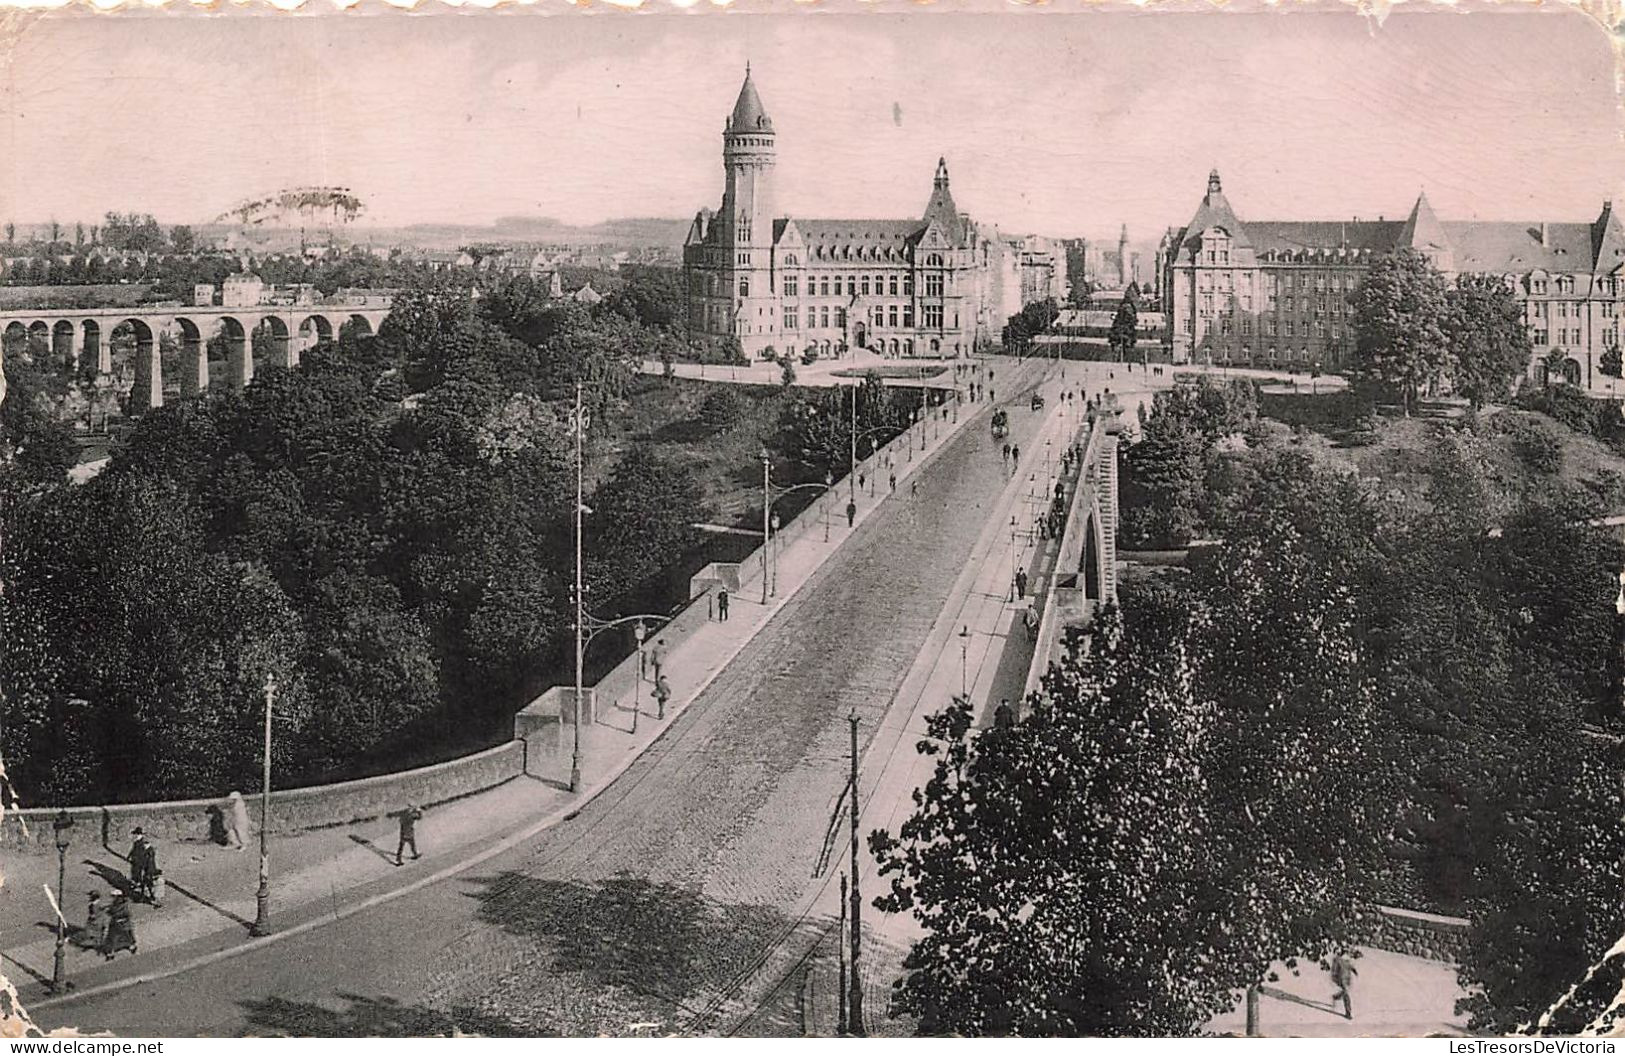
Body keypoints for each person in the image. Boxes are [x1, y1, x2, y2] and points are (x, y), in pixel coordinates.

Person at [101, 891, 136, 961]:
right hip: (121, 923)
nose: (112, 898)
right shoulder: (120, 904)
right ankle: (131, 946)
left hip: (119, 923)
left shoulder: (121, 906)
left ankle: (110, 953)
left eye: (114, 896)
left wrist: (110, 912)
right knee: (126, 935)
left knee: (112, 937)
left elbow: (122, 913)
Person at [128, 829, 153, 902]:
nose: (136, 836)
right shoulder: (136, 842)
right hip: (135, 861)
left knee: (141, 876)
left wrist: (142, 862)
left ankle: (144, 894)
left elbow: (143, 855)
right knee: (135, 872)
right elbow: (133, 850)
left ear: (141, 835)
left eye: (138, 834)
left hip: (140, 862)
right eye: (136, 834)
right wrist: (129, 856)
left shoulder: (142, 843)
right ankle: (137, 884)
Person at [1330, 953, 1357, 1018]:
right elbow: (1334, 970)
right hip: (1341, 979)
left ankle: (1336, 996)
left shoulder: (1347, 959)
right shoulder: (1337, 960)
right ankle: (1348, 1012)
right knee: (1346, 994)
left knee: (1345, 992)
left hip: (1347, 979)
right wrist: (1334, 978)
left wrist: (1354, 971)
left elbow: (1350, 966)